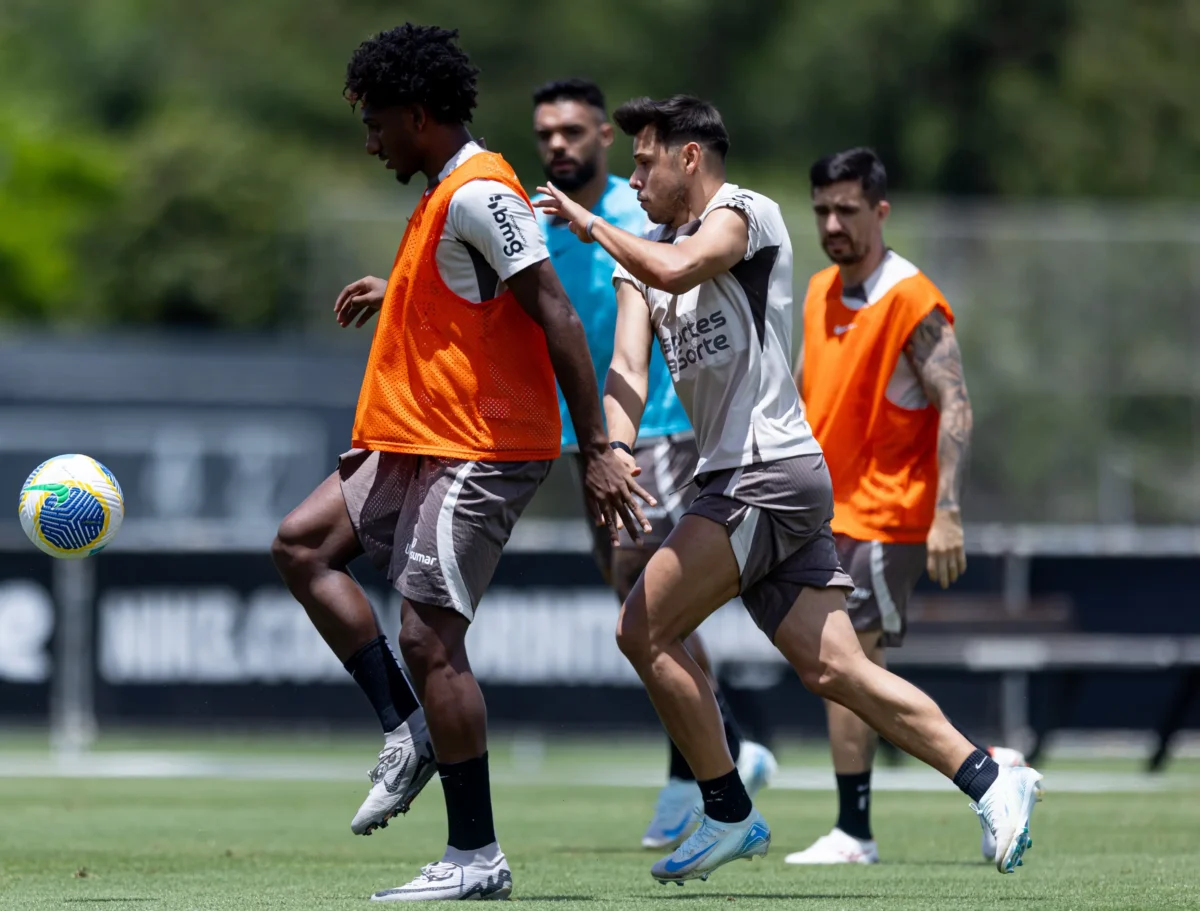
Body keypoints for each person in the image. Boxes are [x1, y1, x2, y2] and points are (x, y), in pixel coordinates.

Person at [535, 95, 1044, 886]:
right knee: (836, 668)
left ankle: (727, 810)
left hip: (762, 473)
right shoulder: (643, 254)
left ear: (690, 159)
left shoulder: (747, 214)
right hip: (762, 480)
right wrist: (618, 448)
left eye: (645, 160)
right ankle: (988, 777)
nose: (632, 176)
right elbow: (628, 370)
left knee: (643, 627)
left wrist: (591, 224)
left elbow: (676, 267)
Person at [270, 25, 649, 902]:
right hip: (419, 438)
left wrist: (596, 447)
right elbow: (465, 292)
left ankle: (476, 854)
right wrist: (391, 285)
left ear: (416, 114)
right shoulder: (446, 191)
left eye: (375, 121)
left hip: (481, 448)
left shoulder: (483, 191)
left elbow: (554, 311)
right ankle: (410, 727)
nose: (369, 139)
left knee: (427, 635)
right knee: (300, 547)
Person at [529, 77, 776, 851]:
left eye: (572, 131)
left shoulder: (643, 210)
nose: (558, 145)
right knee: (625, 581)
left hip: (661, 422)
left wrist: (623, 438)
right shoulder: (538, 220)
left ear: (604, 136)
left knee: (644, 582)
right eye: (546, 134)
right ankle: (720, 742)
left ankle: (704, 759)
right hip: (589, 433)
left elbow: (667, 290)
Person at [784, 148, 1033, 867]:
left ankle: (855, 830)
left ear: (880, 211)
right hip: (825, 515)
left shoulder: (911, 298)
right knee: (849, 674)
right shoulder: (819, 290)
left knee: (848, 667)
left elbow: (955, 402)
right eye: (822, 209)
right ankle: (992, 763)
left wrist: (946, 511)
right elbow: (806, 395)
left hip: (888, 516)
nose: (832, 223)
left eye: (847, 210)